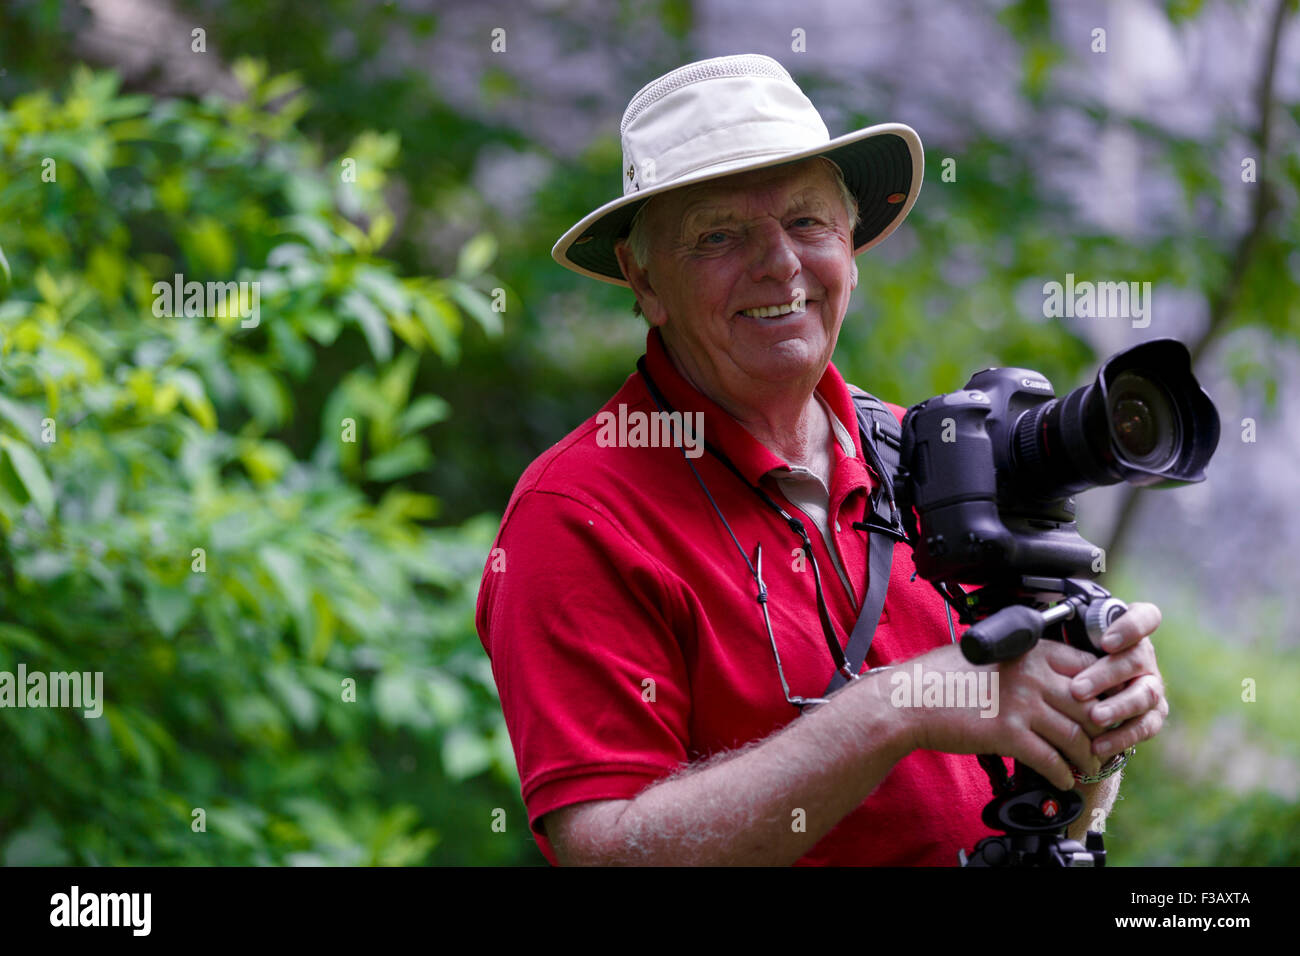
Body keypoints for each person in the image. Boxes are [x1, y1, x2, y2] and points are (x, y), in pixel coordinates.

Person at [475, 53, 1168, 866]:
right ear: (644, 278)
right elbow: (609, 853)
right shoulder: (580, 512)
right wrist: (900, 705)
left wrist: (1095, 716)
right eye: (719, 235)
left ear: (852, 248)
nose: (778, 264)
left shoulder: (933, 459)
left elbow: (1063, 810)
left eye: (807, 223)